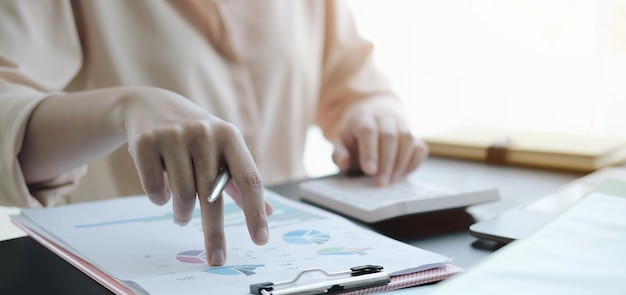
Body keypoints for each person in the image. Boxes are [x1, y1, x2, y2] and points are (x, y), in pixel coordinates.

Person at [0, 0, 428, 266]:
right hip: (125, 268)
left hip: (293, 258)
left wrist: (373, 113)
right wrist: (122, 108)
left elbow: (352, 82)